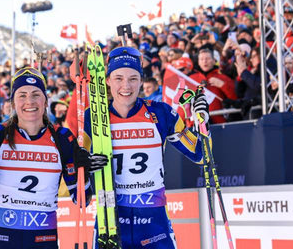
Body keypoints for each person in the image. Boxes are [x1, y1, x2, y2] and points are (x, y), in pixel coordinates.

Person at [85, 47, 209, 249]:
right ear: (107, 81)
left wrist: (203, 123)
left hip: (154, 223)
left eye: (133, 78)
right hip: (111, 222)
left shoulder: (161, 112)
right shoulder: (94, 118)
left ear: (142, 81)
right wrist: (83, 166)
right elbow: (79, 180)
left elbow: (201, 155)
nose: (126, 86)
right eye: (118, 78)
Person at [0, 67, 106, 249]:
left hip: (43, 238)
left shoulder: (63, 138)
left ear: (46, 101)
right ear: (13, 102)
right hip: (1, 236)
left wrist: (85, 174)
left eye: (36, 94)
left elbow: (82, 201)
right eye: (22, 95)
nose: (29, 101)